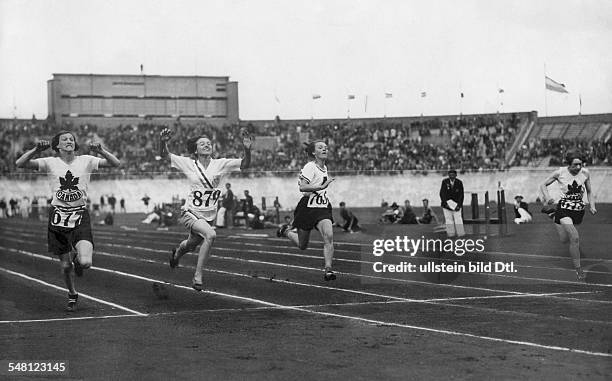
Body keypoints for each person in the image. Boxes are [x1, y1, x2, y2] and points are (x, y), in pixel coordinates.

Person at [15, 131, 120, 311]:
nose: (69, 141)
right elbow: (20, 163)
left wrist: (102, 151)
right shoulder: (50, 162)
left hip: (79, 216)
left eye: (71, 139)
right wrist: (35, 150)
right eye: (65, 139)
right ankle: (72, 293)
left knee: (86, 262)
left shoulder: (86, 160)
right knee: (65, 266)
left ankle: (78, 261)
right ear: (57, 145)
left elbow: (116, 163)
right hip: (58, 218)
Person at [160, 127, 252, 291]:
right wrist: (163, 143)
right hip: (191, 212)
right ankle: (198, 275)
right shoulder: (189, 164)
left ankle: (177, 253)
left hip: (209, 215)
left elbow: (244, 164)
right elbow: (165, 156)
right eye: (202, 144)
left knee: (191, 244)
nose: (207, 145)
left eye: (209, 143)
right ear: (195, 149)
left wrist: (247, 149)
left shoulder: (221, 164)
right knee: (211, 235)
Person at [277, 141, 337, 281]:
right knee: (303, 245)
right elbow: (303, 188)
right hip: (307, 209)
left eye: (326, 147)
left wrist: (321, 189)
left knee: (328, 235)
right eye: (320, 147)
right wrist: (321, 187)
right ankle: (286, 231)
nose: (325, 149)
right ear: (313, 153)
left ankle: (328, 269)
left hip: (322, 208)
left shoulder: (324, 167)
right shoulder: (310, 166)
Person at [540, 150, 597, 281]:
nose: (578, 167)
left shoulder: (585, 173)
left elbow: (589, 191)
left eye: (580, 164)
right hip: (564, 208)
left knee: (564, 239)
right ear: (568, 164)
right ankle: (579, 270)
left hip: (578, 210)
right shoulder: (560, 173)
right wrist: (548, 197)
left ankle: (552, 214)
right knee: (575, 237)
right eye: (575, 165)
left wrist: (592, 205)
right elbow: (543, 184)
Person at [439, 169, 465, 237]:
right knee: (448, 220)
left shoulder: (459, 182)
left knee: (458, 219)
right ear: (448, 175)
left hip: (456, 205)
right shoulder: (444, 182)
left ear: (456, 175)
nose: (452, 176)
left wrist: (459, 205)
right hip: (447, 205)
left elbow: (461, 195)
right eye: (450, 175)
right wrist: (446, 204)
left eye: (453, 175)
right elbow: (442, 194)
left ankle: (461, 234)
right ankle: (451, 234)